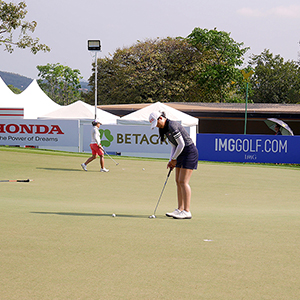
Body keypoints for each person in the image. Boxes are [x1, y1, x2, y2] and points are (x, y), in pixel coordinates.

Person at [149, 111, 198, 219]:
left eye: (157, 123)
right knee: (178, 181)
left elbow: (182, 144)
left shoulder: (172, 125)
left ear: (160, 118)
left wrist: (174, 159)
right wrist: (171, 160)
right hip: (180, 153)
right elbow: (174, 146)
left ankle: (187, 211)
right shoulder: (165, 129)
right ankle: (180, 209)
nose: (157, 126)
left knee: (183, 182)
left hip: (189, 152)